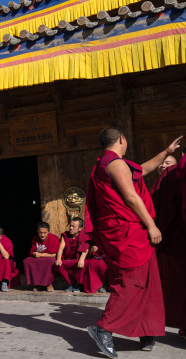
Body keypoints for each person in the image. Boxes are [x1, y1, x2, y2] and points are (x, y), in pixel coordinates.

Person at [85, 127, 181, 357]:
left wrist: (165, 151)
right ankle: (103, 328)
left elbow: (144, 169)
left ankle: (146, 330)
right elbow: (130, 196)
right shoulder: (115, 164)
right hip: (129, 233)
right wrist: (151, 225)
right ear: (122, 139)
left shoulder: (111, 163)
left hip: (127, 232)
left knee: (148, 283)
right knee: (131, 281)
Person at [150, 150, 186, 338]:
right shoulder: (170, 177)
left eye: (169, 163)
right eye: (162, 163)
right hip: (177, 242)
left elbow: (154, 208)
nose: (165, 166)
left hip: (174, 242)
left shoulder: (170, 177)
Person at [55, 217, 90, 292]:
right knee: (57, 265)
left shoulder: (84, 235)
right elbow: (61, 247)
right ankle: (72, 284)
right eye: (70, 226)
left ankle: (77, 284)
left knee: (85, 262)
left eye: (73, 226)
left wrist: (81, 259)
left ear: (80, 228)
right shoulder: (66, 235)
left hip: (77, 260)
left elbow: (85, 248)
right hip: (69, 260)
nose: (70, 228)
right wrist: (58, 258)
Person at [23, 222, 60, 292]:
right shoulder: (35, 239)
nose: (42, 235)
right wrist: (35, 254)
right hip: (38, 258)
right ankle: (37, 284)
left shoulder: (54, 238)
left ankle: (49, 284)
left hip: (48, 258)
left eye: (45, 233)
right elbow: (32, 252)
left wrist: (41, 255)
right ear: (37, 231)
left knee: (51, 261)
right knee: (27, 261)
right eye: (40, 233)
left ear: (48, 232)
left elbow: (54, 255)